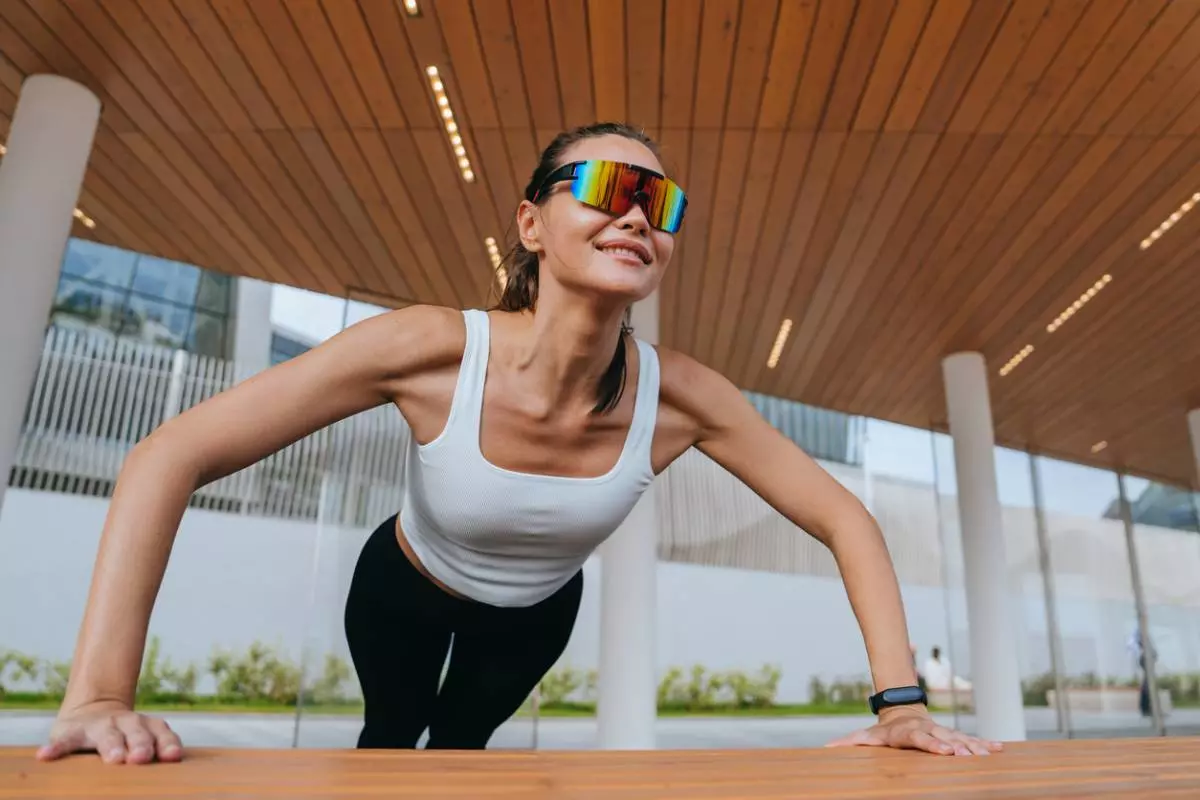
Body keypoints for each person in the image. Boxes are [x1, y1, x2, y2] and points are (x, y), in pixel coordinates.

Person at [36, 122, 1001, 765]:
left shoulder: (687, 398)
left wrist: (900, 703)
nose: (638, 214)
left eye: (661, 205)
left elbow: (844, 517)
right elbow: (168, 453)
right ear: (532, 222)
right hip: (402, 590)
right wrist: (98, 696)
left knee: (458, 756)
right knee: (389, 741)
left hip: (533, 616)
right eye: (613, 188)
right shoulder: (425, 347)